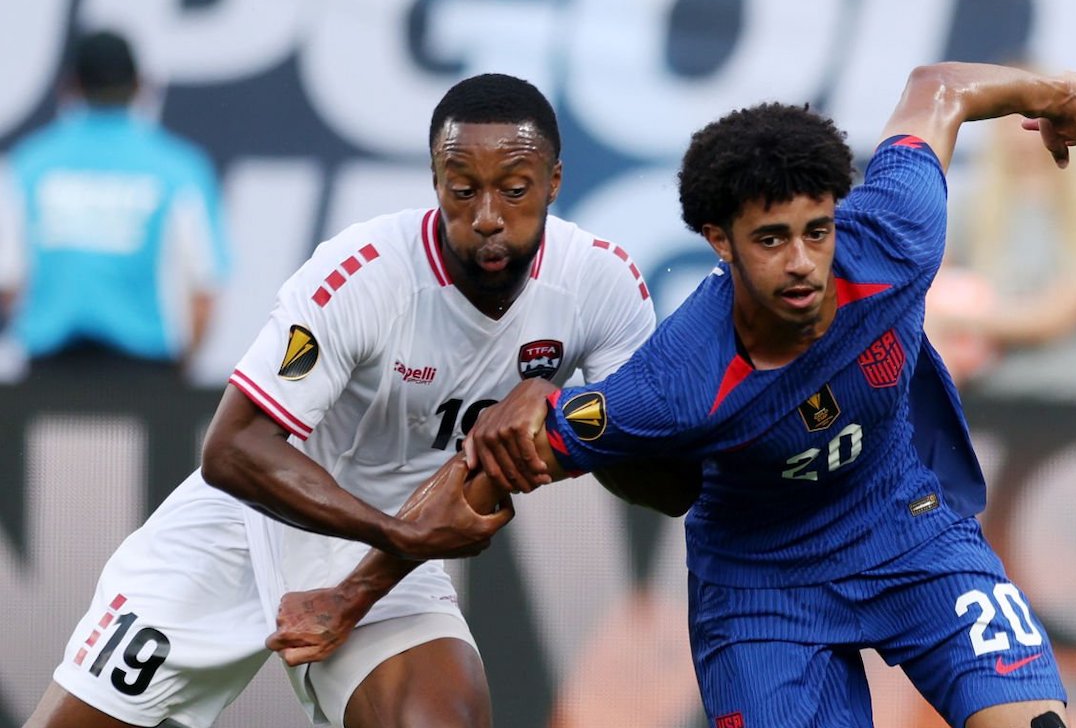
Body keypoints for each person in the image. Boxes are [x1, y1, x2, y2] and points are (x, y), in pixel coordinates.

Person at [268, 62, 1076, 728]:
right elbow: (485, 470)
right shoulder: (674, 382)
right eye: (771, 241)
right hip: (765, 593)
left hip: (909, 536)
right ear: (719, 242)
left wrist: (1050, 91)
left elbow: (936, 90)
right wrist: (350, 597)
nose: (805, 263)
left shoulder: (894, 237)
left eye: (817, 230)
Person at [22, 72, 657, 728]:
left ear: (554, 181)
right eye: (462, 191)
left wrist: (566, 423)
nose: (487, 217)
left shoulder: (601, 285)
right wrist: (400, 532)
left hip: (390, 555)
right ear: (435, 182)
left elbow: (656, 474)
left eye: (514, 190)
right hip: (249, 523)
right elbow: (232, 448)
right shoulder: (364, 272)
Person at [0, 29, 230, 377]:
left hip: (48, 380)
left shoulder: (29, 166)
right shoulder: (179, 169)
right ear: (141, 84)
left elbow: (8, 285)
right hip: (146, 376)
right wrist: (179, 374)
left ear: (71, 85)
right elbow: (203, 295)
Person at [924, 106, 1076, 394]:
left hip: (1057, 394)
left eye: (1035, 122)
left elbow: (1060, 313)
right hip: (976, 392)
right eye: (1013, 122)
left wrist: (957, 320)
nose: (1024, 135)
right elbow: (929, 284)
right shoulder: (970, 208)